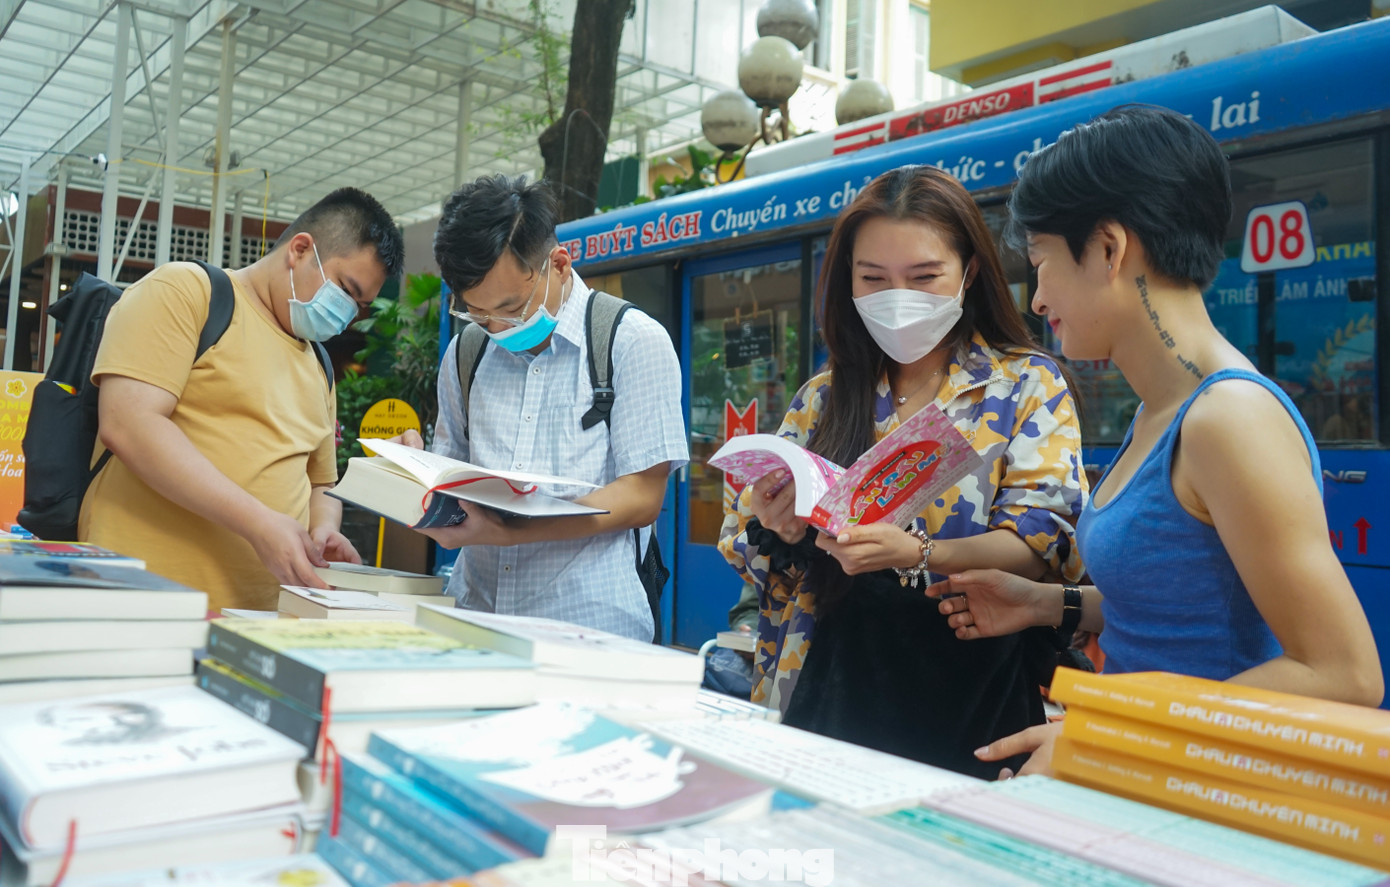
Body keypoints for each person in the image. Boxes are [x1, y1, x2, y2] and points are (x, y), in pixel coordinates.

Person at [926, 104, 1384, 777]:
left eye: (1042, 263)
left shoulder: (1227, 418)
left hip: (1200, 799)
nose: (1037, 300)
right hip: (1148, 777)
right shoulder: (1162, 411)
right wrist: (1043, 603)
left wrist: (1112, 740)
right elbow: (1190, 598)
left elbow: (1343, 672)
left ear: (1108, 249)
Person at [717, 165, 1088, 778]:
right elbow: (747, 545)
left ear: (969, 271)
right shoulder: (823, 398)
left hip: (967, 681)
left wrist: (917, 552)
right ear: (849, 284)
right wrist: (777, 525)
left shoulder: (1023, 385)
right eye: (873, 279)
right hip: (823, 679)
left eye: (924, 277)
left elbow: (1043, 541)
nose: (899, 297)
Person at [80, 188, 403, 612]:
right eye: (346, 290)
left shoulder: (319, 363)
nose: (349, 315)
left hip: (258, 619)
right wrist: (257, 523)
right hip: (143, 600)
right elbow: (129, 423)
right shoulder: (188, 293)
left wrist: (322, 529)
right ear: (301, 250)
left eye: (360, 306)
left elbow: (320, 481)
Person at [407, 175, 687, 642]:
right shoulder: (465, 353)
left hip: (589, 629)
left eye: (512, 307)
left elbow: (642, 496)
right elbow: (452, 473)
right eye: (477, 312)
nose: (496, 327)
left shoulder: (632, 341)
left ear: (558, 263)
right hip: (478, 615)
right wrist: (414, 469)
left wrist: (510, 532)